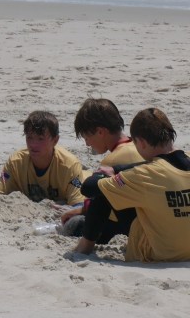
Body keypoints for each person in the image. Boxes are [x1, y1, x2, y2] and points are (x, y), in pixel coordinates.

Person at [75, 108, 190, 262]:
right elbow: (163, 162)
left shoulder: (145, 175)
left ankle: (84, 248)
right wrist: (117, 169)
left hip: (159, 255)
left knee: (106, 191)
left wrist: (106, 174)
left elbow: (88, 188)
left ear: (141, 142)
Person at [60, 98, 144, 237]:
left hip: (135, 227)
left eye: (86, 137)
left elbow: (103, 207)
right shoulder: (140, 145)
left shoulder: (112, 161)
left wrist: (81, 210)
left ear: (100, 132)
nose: (87, 144)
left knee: (76, 224)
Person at [0, 111, 85, 206]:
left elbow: (79, 205)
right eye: (29, 137)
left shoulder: (70, 166)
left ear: (55, 140)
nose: (33, 145)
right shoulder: (15, 163)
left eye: (40, 139)